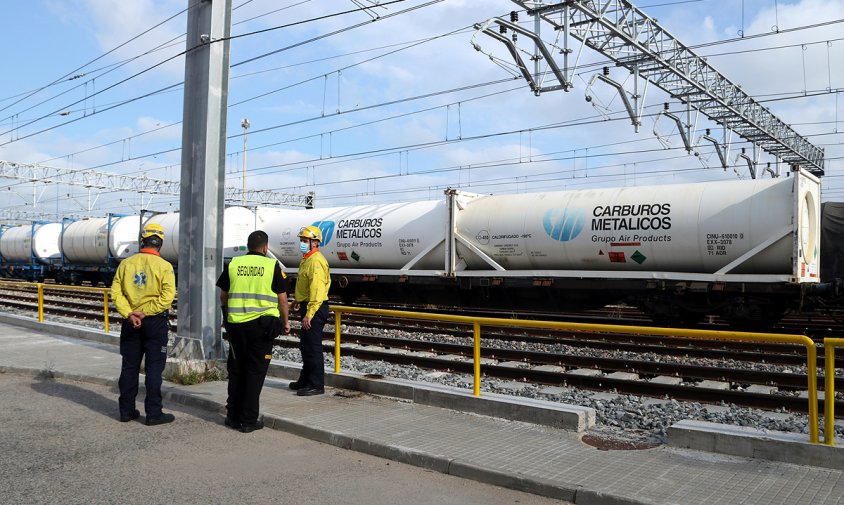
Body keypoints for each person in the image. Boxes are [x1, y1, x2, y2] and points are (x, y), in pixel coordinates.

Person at [217, 230, 290, 433]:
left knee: (237, 370)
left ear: (248, 246)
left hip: (236, 326)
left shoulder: (233, 264)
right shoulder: (271, 265)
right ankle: (248, 420)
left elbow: (223, 295)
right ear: (265, 248)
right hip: (262, 328)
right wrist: (286, 322)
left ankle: (232, 416)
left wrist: (227, 313)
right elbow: (282, 299)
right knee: (255, 373)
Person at [111, 222, 177, 426]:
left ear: (142, 241)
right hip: (154, 322)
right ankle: (154, 413)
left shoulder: (125, 264)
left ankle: (126, 411)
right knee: (154, 368)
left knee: (129, 367)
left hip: (131, 323)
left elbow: (116, 293)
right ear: (160, 244)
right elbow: (167, 297)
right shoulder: (164, 267)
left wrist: (130, 314)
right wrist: (145, 312)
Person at [289, 225, 331, 396]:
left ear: (315, 243)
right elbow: (306, 286)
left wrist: (310, 313)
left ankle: (316, 385)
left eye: (305, 241)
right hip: (308, 305)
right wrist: (298, 301)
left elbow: (317, 291)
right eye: (301, 240)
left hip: (316, 307)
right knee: (306, 346)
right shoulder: (307, 259)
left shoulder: (315, 261)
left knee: (313, 347)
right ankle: (305, 380)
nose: (302, 243)